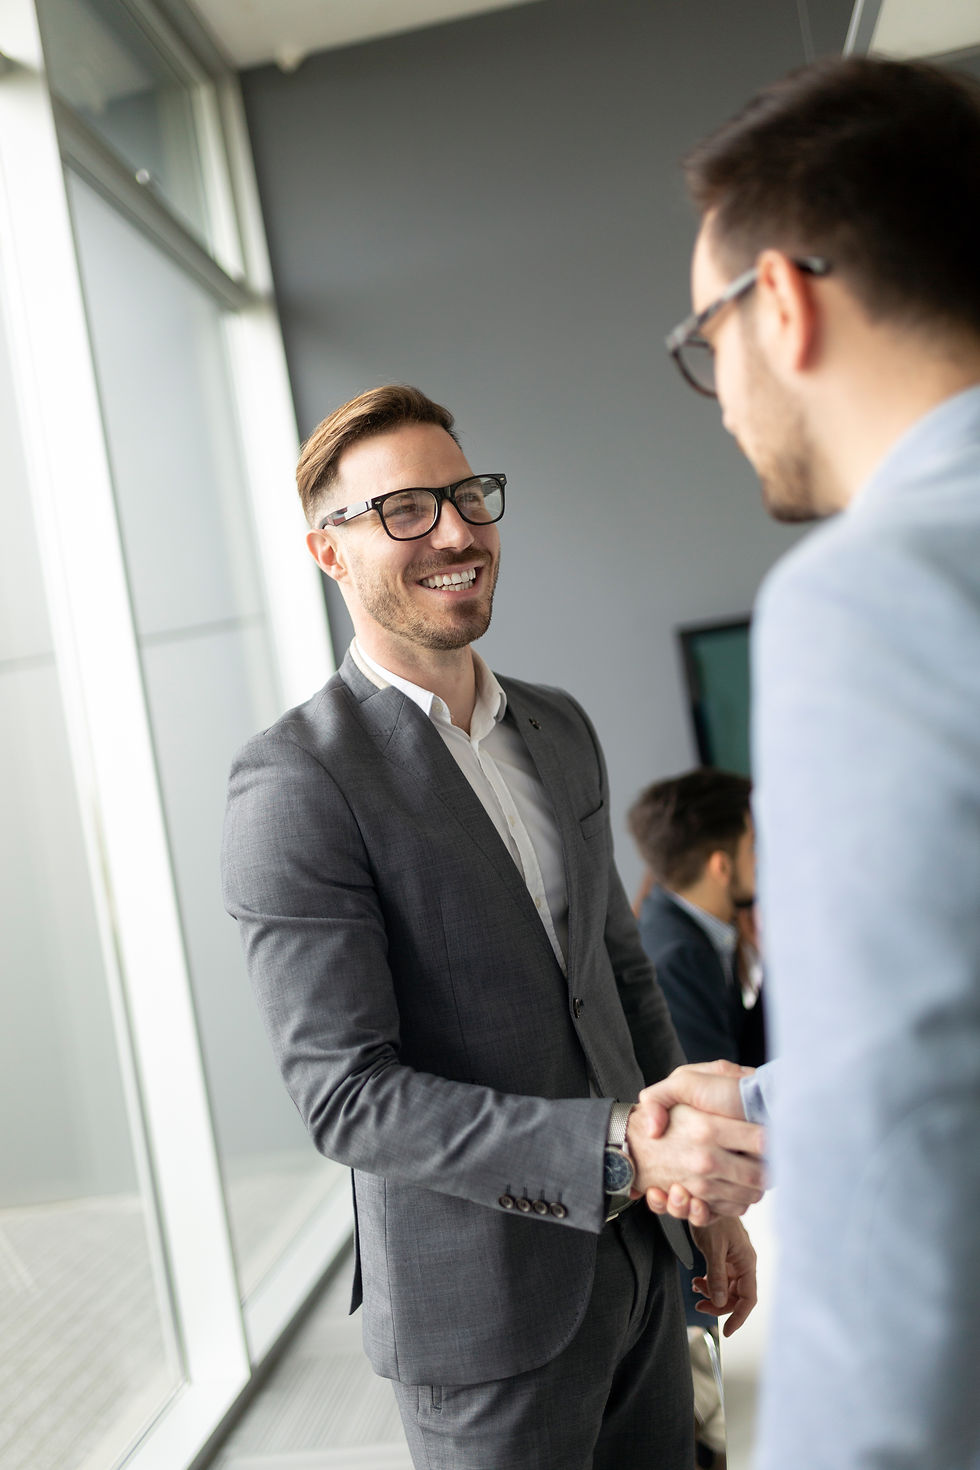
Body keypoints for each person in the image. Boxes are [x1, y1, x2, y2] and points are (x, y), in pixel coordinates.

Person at [221, 384, 763, 1470]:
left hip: (646, 1266)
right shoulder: (295, 783)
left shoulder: (558, 727)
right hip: (484, 1313)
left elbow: (618, 976)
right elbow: (346, 1095)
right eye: (404, 510)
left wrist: (697, 1194)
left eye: (467, 496)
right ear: (330, 553)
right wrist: (617, 1149)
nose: (456, 532)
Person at [643, 55, 980, 1470]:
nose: (718, 393)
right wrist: (778, 1099)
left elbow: (910, 1145)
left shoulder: (872, 593)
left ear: (778, 300)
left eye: (703, 337)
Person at [629, 767, 766, 1468]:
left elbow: (741, 1058)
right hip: (685, 1239)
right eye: (755, 843)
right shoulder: (676, 951)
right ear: (721, 864)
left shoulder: (691, 931)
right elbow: (718, 1103)